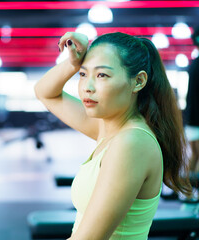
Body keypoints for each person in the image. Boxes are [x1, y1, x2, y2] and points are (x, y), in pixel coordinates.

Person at [34, 32, 192, 239]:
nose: (87, 88)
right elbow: (44, 92)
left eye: (102, 75)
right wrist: (72, 63)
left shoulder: (132, 143)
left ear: (138, 81)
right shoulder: (109, 129)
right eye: (83, 75)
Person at [185, 27, 199, 179]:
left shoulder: (194, 64)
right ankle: (189, 194)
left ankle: (187, 194)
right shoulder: (196, 65)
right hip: (195, 119)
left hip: (191, 119)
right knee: (196, 155)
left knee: (195, 155)